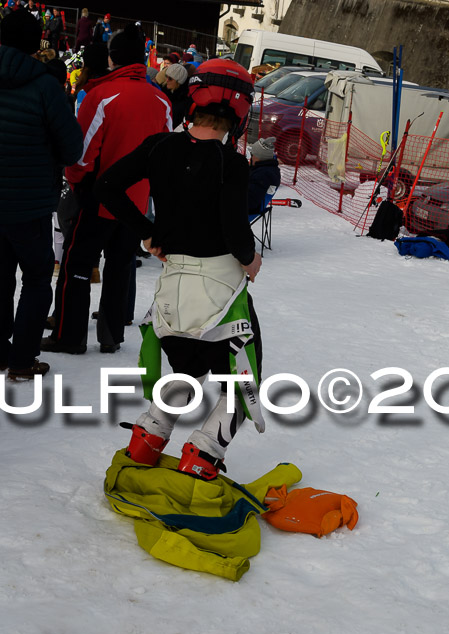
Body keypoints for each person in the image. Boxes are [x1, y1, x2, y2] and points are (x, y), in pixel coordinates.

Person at [94, 58, 263, 481]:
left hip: (171, 299)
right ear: (239, 113)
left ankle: (147, 440)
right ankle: (203, 454)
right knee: (241, 384)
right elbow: (233, 226)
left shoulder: (158, 146)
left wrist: (147, 231)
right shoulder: (232, 163)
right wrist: (251, 259)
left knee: (186, 370)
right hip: (218, 295)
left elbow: (107, 186)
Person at [41, 23, 172, 356]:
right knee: (119, 266)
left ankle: (69, 336)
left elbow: (80, 153)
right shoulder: (161, 100)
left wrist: (75, 182)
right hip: (137, 203)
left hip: (97, 198)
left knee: (76, 265)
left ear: (113, 58)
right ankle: (111, 335)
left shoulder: (102, 94)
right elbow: (167, 156)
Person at [0, 10, 83, 380]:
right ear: (38, 44)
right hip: (28, 203)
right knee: (35, 277)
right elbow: (72, 149)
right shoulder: (46, 86)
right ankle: (21, 359)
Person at [248, 137, 281, 215]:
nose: (251, 157)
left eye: (252, 154)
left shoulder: (263, 175)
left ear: (258, 157)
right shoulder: (268, 170)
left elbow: (250, 202)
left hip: (244, 211)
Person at [161, 62, 189, 129]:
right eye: (166, 76)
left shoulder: (183, 101)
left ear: (178, 81)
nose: (167, 80)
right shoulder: (162, 93)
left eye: (170, 78)